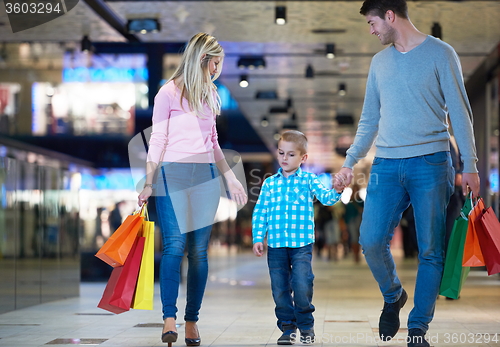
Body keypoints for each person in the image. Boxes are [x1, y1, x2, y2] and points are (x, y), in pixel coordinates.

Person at [333, 0, 481, 346]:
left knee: (431, 249)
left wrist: (470, 164)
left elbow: (460, 112)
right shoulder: (379, 63)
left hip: (431, 162)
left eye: (372, 23)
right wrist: (349, 161)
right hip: (386, 163)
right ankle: (393, 295)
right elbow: (369, 119)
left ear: (389, 16)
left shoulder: (441, 53)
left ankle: (418, 328)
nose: (371, 31)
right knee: (370, 240)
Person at [137, 32, 247, 347]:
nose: (217, 69)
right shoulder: (167, 93)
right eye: (215, 63)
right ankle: (169, 318)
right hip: (172, 173)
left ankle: (191, 320)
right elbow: (157, 139)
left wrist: (230, 177)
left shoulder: (211, 95)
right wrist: (148, 181)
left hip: (206, 178)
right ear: (202, 59)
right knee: (173, 246)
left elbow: (212, 143)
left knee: (199, 253)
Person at [252, 130, 342, 345]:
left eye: (291, 154)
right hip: (275, 246)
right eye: (281, 152)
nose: (284, 158)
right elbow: (260, 211)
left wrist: (337, 189)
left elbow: (327, 198)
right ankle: (287, 327)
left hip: (302, 244)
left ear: (303, 158)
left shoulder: (309, 180)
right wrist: (258, 237)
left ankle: (306, 324)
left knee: (302, 284)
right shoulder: (269, 184)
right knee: (279, 288)